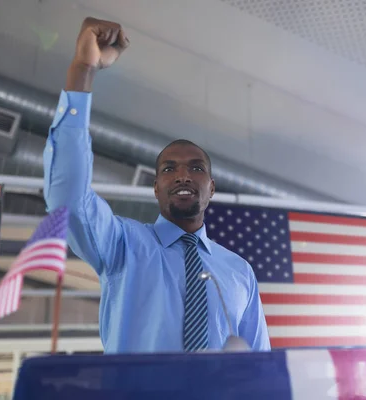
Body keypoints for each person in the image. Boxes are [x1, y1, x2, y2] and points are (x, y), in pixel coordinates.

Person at [43, 17, 271, 353]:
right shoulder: (122, 245)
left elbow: (261, 368)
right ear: (155, 187)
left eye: (196, 168)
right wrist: (83, 69)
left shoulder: (239, 272)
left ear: (211, 188)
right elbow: (67, 198)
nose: (182, 175)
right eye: (169, 168)